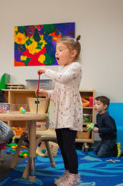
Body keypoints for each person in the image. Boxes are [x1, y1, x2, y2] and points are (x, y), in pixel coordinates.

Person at [37, 35, 83, 186]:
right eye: (56, 50)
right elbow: (60, 89)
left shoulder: (75, 67)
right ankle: (68, 172)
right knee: (62, 146)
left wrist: (46, 71)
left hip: (69, 115)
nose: (56, 53)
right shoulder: (62, 68)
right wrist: (47, 93)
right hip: (60, 114)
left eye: (60, 50)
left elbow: (62, 79)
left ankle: (74, 176)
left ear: (73, 53)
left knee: (69, 146)